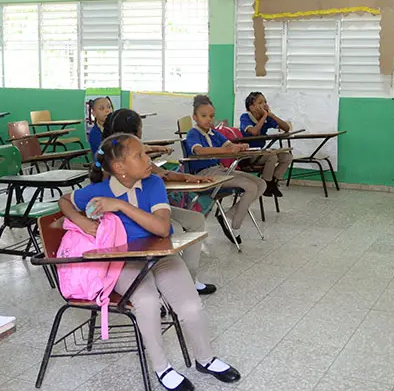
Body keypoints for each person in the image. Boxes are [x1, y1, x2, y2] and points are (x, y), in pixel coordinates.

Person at [58, 133, 240, 391]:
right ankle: (162, 367)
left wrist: (120, 206)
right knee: (147, 302)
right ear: (120, 168)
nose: (148, 160)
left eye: (146, 153)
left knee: (191, 306)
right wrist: (81, 221)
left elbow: (162, 229)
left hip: (160, 255)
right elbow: (64, 200)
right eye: (139, 155)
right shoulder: (97, 191)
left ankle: (206, 359)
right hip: (123, 261)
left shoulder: (153, 183)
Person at [101, 108, 217, 295]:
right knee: (175, 230)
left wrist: (189, 177)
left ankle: (189, 278)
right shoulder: (111, 158)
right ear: (135, 131)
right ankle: (161, 284)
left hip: (152, 207)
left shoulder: (135, 151)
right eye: (141, 128)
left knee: (196, 220)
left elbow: (161, 173)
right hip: (131, 216)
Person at [185, 95, 264, 244]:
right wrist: (226, 149)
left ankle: (227, 216)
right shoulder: (193, 133)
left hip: (219, 170)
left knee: (261, 184)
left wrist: (240, 147)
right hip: (205, 174)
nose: (209, 119)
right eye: (204, 116)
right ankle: (234, 226)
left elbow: (228, 145)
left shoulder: (214, 133)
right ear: (194, 117)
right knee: (251, 187)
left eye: (212, 116)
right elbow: (199, 151)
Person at [239, 91, 293, 197]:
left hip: (260, 153)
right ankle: (266, 184)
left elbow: (286, 128)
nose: (264, 105)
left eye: (265, 102)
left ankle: (273, 182)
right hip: (248, 154)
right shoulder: (245, 117)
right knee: (271, 156)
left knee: (287, 157)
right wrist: (264, 116)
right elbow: (255, 132)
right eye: (260, 102)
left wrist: (271, 115)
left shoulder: (268, 118)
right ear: (251, 107)